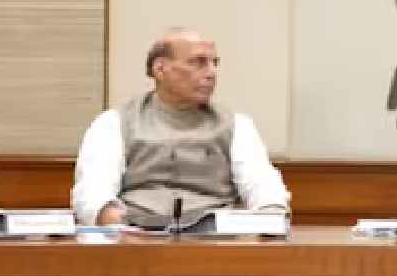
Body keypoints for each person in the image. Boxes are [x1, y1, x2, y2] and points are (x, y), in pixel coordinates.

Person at [71, 28, 288, 226]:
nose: (211, 73)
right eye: (198, 63)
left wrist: (269, 220)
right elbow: (93, 192)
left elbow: (262, 185)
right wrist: (118, 226)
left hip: (215, 237)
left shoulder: (237, 125)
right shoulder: (114, 123)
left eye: (214, 63)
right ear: (160, 69)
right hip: (134, 234)